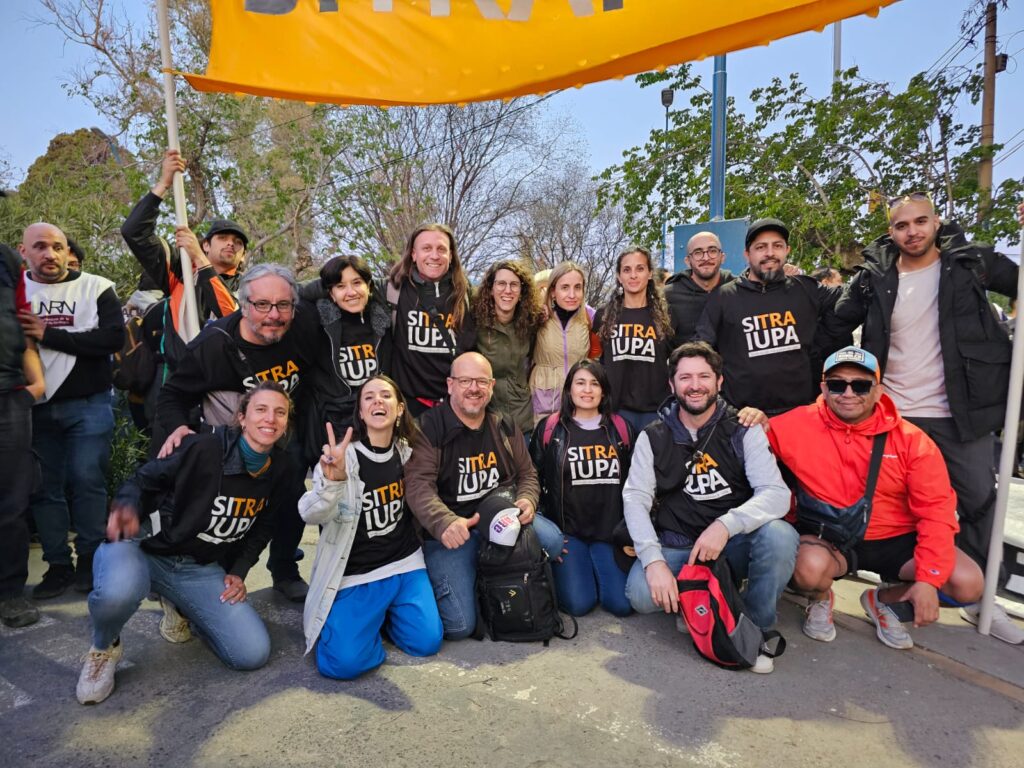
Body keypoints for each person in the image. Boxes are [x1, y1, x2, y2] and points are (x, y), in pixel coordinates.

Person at [827, 193, 1022, 643]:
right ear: (890, 231)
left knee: (977, 501)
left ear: (936, 222)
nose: (912, 231)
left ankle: (980, 598)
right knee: (889, 506)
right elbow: (836, 322)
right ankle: (894, 588)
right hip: (894, 412)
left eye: (920, 221)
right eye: (901, 225)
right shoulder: (875, 276)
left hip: (960, 412)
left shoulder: (972, 263)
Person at [75, 382, 294, 705]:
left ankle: (181, 606)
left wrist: (239, 571)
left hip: (196, 568)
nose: (270, 419)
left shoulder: (282, 468)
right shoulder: (205, 448)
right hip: (146, 547)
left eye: (280, 412)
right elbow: (143, 479)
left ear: (287, 422)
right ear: (242, 417)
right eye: (261, 409)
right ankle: (104, 647)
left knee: (251, 653)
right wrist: (126, 508)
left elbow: (265, 526)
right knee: (118, 593)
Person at [768, 346, 987, 649]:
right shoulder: (793, 425)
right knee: (808, 569)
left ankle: (883, 601)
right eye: (837, 384)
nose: (848, 393)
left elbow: (937, 512)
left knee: (967, 583)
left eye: (860, 385)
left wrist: (928, 580)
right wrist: (749, 416)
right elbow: (742, 442)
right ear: (823, 388)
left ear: (878, 389)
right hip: (831, 538)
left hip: (897, 539)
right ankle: (819, 597)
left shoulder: (912, 440)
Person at [622, 342, 796, 673]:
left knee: (780, 536)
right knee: (641, 596)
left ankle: (752, 627)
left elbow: (776, 493)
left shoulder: (742, 429)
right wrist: (654, 560)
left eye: (704, 376)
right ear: (672, 385)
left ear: (719, 381)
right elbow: (635, 498)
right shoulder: (653, 436)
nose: (695, 385)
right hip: (680, 542)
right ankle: (700, 599)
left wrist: (726, 525)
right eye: (685, 377)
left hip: (731, 541)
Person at [156, 263, 321, 602]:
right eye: (262, 305)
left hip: (288, 436)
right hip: (233, 443)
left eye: (283, 305)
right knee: (236, 507)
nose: (273, 315)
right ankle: (201, 574)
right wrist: (179, 428)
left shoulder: (303, 326)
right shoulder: (212, 346)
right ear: (243, 305)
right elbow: (172, 394)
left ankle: (285, 568)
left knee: (291, 500)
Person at [405, 352, 564, 640]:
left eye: (481, 381)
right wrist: (443, 523)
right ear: (450, 384)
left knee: (552, 541)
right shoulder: (428, 427)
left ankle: (489, 577)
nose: (474, 388)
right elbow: (417, 486)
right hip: (455, 531)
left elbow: (527, 474)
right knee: (459, 626)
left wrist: (527, 499)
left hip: (500, 522)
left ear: (491, 385)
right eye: (465, 381)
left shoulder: (503, 424)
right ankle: (472, 581)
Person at [298, 376, 443, 679]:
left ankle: (382, 617)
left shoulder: (409, 452)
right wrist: (332, 482)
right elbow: (310, 513)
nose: (378, 401)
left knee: (426, 642)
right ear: (361, 414)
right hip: (356, 574)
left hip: (405, 564)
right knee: (342, 665)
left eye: (386, 395)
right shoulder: (342, 458)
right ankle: (363, 624)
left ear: (400, 408)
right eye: (369, 397)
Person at [18, 222, 124, 598]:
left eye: (58, 247)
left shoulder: (96, 287)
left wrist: (48, 334)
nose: (51, 254)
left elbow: (112, 338)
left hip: (89, 404)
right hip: (33, 407)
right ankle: (57, 565)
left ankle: (90, 563)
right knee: (44, 490)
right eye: (41, 247)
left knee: (87, 483)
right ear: (23, 251)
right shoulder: (13, 291)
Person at [121, 150, 244, 443]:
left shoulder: (250, 287)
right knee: (166, 462)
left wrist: (201, 259)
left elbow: (231, 314)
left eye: (238, 242)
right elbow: (134, 232)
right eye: (223, 239)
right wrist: (163, 183)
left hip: (222, 388)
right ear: (206, 242)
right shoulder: (180, 274)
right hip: (173, 379)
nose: (231, 244)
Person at [696, 218, 840, 415]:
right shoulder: (723, 297)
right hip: (743, 418)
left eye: (777, 246)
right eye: (761, 247)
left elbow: (850, 304)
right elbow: (702, 349)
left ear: (787, 250)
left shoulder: (806, 289)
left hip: (801, 413)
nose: (770, 253)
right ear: (747, 254)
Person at [529, 359, 635, 617]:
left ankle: (597, 569)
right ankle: (579, 570)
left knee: (621, 605)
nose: (587, 390)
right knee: (579, 604)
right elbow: (531, 479)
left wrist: (629, 533)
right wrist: (549, 535)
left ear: (604, 391)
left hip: (609, 533)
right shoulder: (551, 428)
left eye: (594, 384)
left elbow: (638, 484)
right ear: (569, 390)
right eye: (580, 383)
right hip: (570, 535)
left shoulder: (621, 429)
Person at [299, 254, 392, 469]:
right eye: (340, 286)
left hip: (373, 420)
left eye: (357, 283)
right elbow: (292, 290)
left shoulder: (384, 321)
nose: (351, 292)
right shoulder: (319, 321)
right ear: (330, 292)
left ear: (369, 286)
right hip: (332, 423)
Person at [384, 223, 476, 417]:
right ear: (413, 254)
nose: (434, 255)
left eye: (441, 249)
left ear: (451, 256)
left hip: (456, 407)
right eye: (426, 248)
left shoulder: (467, 295)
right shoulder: (393, 290)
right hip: (410, 408)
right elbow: (342, 283)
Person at [0, 243, 45, 628]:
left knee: (11, 504)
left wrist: (37, 382)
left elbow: (22, 323)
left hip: (10, 396)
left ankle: (11, 592)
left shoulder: (7, 260)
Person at [594, 247, 673, 432]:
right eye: (627, 270)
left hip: (656, 412)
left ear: (650, 273)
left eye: (640, 268)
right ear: (619, 276)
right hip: (616, 412)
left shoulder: (667, 316)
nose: (633, 275)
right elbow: (595, 360)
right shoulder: (603, 316)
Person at [471, 260, 543, 438]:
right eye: (501, 283)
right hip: (484, 417)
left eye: (514, 285)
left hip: (520, 418)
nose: (508, 290)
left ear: (522, 291)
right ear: (490, 288)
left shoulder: (531, 323)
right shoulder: (474, 323)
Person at [529, 261, 600, 426]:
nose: (572, 295)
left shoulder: (590, 317)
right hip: (544, 402)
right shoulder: (538, 315)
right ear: (553, 291)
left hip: (580, 403)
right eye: (565, 287)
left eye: (577, 287)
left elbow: (598, 356)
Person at [664, 231, 735, 349]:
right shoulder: (668, 296)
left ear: (722, 257)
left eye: (712, 251)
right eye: (698, 253)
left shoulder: (737, 290)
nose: (706, 258)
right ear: (688, 261)